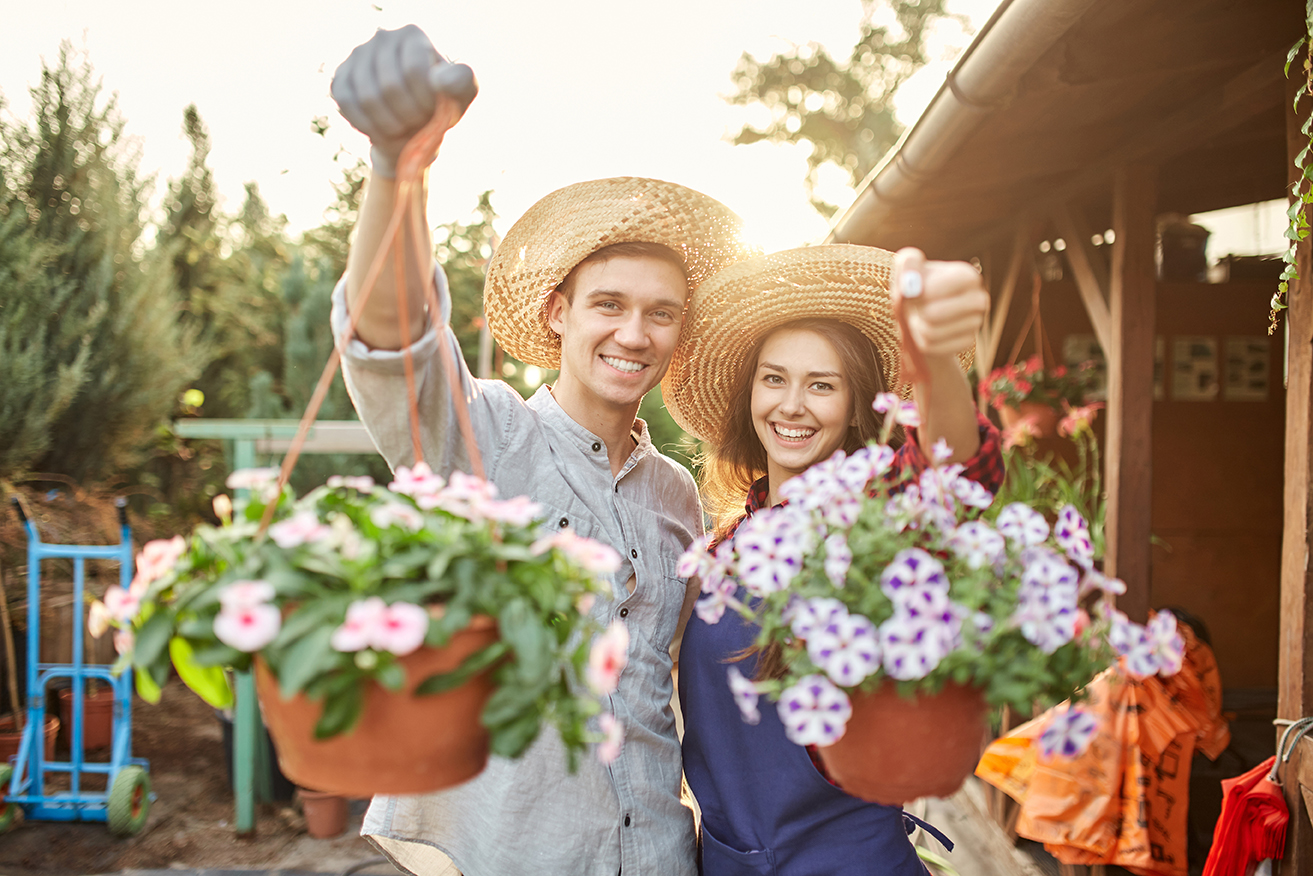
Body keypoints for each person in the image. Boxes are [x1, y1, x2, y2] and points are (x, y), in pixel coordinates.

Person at [328, 25, 758, 876]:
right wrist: (396, 171)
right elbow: (395, 340)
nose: (633, 334)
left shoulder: (676, 495)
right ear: (558, 313)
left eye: (661, 312)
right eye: (608, 303)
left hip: (659, 851)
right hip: (505, 856)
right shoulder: (479, 439)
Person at [661, 244, 1005, 875]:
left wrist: (930, 358)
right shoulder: (726, 543)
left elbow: (960, 467)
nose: (791, 405)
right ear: (750, 393)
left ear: (854, 408)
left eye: (822, 385)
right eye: (774, 378)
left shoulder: (876, 528)